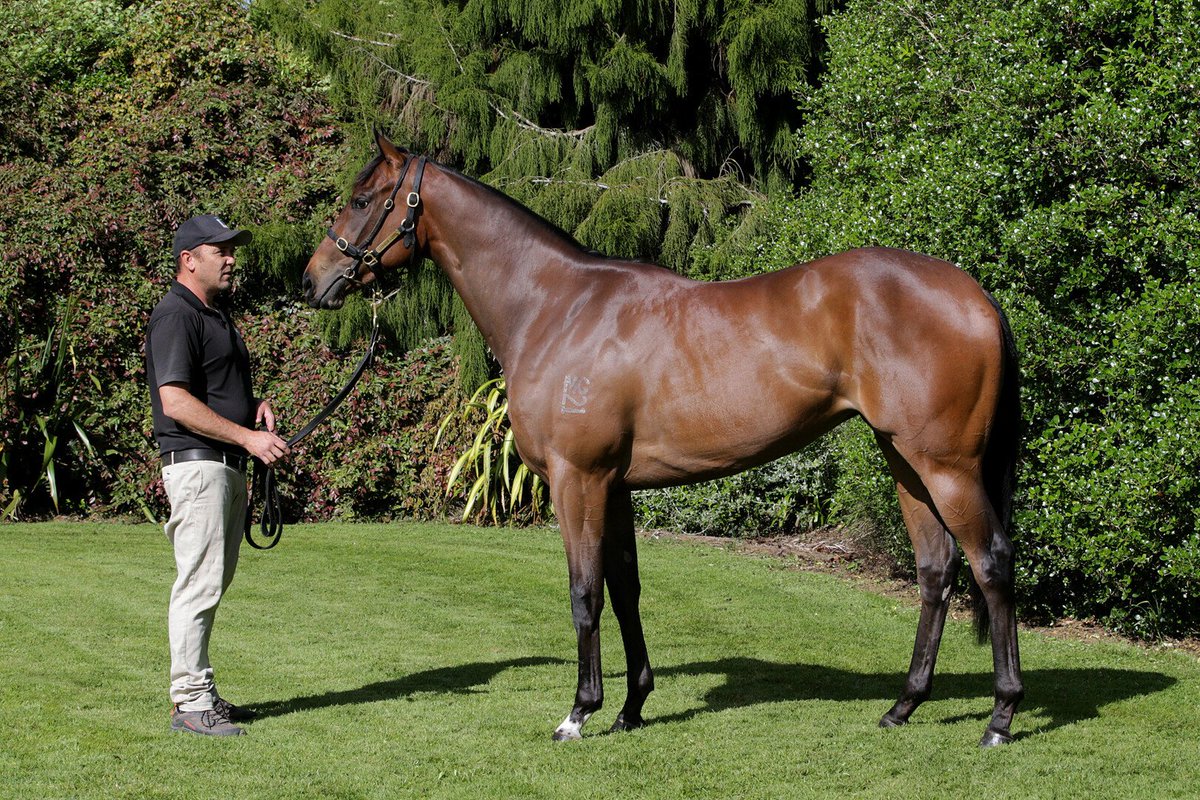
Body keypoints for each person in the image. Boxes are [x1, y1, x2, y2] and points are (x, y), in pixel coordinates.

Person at [145, 214, 291, 736]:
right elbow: (176, 400)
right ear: (189, 259)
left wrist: (254, 407)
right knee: (198, 585)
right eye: (220, 250)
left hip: (222, 466)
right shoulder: (175, 316)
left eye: (233, 249)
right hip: (199, 465)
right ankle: (189, 703)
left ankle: (200, 691)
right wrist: (249, 439)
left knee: (211, 582)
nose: (231, 258)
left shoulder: (214, 315)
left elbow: (213, 390)